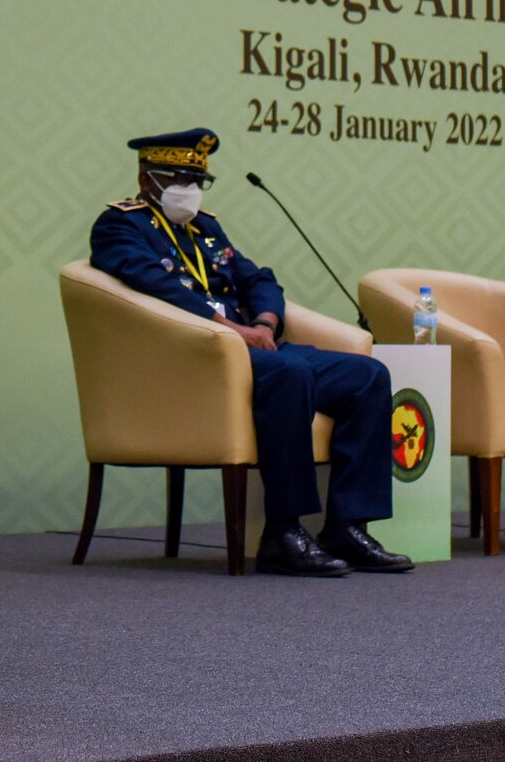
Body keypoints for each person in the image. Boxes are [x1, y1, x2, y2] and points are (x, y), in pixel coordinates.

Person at [89, 129, 410, 577]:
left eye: (200, 181)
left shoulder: (205, 228)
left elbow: (259, 279)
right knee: (290, 373)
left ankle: (348, 526)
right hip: (196, 359)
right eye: (181, 178)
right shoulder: (121, 225)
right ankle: (283, 533)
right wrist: (229, 328)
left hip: (256, 348)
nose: (192, 191)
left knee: (368, 376)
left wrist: (263, 324)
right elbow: (154, 285)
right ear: (148, 180)